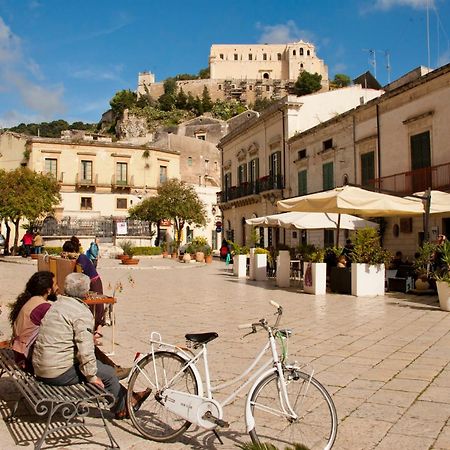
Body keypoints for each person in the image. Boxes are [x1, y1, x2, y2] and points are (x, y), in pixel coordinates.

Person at [32, 273, 150, 419]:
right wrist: (92, 376)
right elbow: (85, 351)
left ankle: (128, 397)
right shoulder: (81, 312)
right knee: (108, 373)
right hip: (56, 371)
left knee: (101, 366)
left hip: (41, 366)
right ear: (86, 292)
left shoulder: (57, 305)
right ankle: (123, 407)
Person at [9, 271, 59, 372]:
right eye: (55, 284)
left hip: (19, 352)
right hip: (26, 359)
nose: (58, 287)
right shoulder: (44, 307)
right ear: (48, 290)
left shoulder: (31, 300)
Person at [61, 240, 105, 335]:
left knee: (98, 305)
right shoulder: (76, 258)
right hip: (87, 283)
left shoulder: (82, 258)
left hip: (94, 282)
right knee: (90, 306)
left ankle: (99, 328)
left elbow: (79, 271)